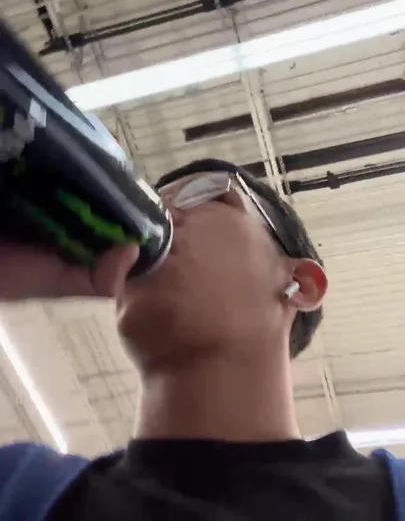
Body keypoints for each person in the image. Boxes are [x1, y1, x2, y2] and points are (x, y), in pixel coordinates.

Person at [0, 157, 402, 520]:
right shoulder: (18, 487)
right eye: (151, 202)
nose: (158, 215)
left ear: (301, 284)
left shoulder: (394, 495)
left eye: (204, 194)